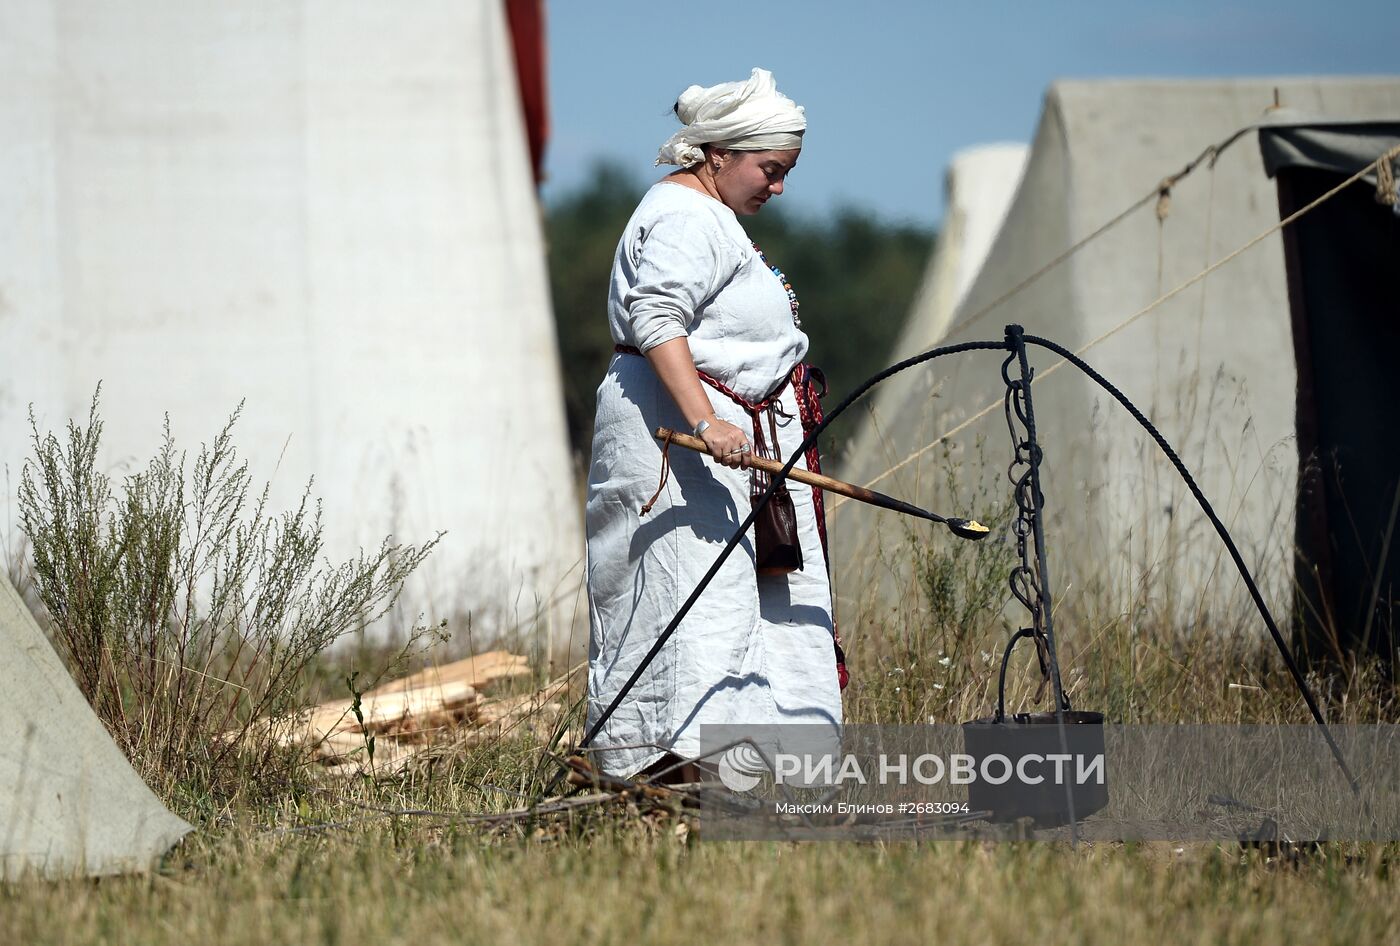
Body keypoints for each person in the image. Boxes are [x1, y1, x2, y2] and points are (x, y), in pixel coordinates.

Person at [585, 68, 843, 780]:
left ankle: (753, 775)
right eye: (770, 169)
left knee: (747, 610)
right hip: (683, 447)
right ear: (719, 154)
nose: (779, 187)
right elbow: (656, 319)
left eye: (787, 172)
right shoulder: (682, 216)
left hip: (735, 450)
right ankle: (668, 773)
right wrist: (706, 422)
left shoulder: (710, 217)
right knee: (687, 603)